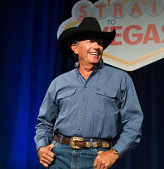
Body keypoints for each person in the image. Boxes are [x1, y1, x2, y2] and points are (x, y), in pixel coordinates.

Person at [34, 17, 143, 169]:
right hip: (59, 158)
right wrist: (41, 147)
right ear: (75, 48)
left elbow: (133, 121)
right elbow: (44, 123)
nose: (96, 46)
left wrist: (115, 152)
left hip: (96, 158)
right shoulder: (59, 82)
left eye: (99, 42)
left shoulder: (120, 79)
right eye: (91, 41)